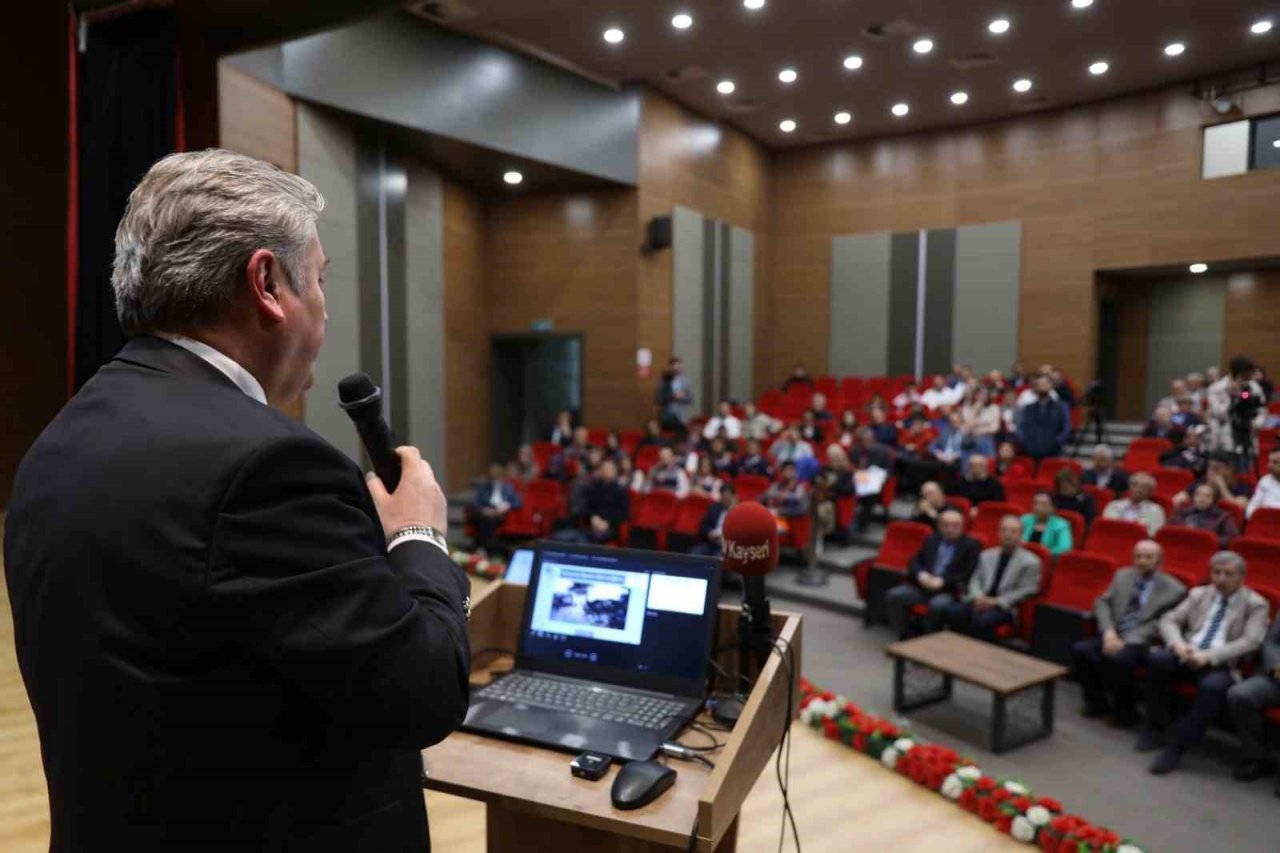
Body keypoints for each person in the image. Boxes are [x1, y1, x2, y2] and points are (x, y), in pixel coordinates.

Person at [3, 150, 471, 850]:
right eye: (317, 278)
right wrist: (417, 538)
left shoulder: (58, 443)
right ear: (267, 283)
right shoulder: (268, 466)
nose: (323, 306)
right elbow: (422, 691)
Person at [1140, 551, 1269, 775]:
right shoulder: (1199, 593)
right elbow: (1169, 619)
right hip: (1188, 651)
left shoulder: (1255, 604)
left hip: (1222, 663)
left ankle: (1177, 747)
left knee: (1212, 687)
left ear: (1241, 577)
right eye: (1216, 572)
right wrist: (1178, 645)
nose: (1220, 578)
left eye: (1228, 574)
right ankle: (1155, 726)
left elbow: (1251, 641)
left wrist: (1208, 656)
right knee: (1157, 660)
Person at [1071, 541, 1186, 726]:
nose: (1142, 561)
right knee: (1081, 650)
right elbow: (1102, 602)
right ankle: (1096, 704)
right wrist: (1108, 632)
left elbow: (1162, 623)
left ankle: (1125, 713)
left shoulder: (1174, 589)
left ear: (1159, 560)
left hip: (1144, 640)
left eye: (1148, 557)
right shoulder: (1122, 575)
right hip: (1114, 631)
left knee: (1121, 659)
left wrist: (1128, 641)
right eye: (1138, 556)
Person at [884, 509, 981, 639]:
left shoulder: (971, 545)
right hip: (923, 586)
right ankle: (904, 633)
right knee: (895, 595)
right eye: (946, 525)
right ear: (939, 526)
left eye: (955, 525)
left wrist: (943, 581)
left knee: (937, 605)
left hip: (948, 590)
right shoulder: (932, 539)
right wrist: (921, 574)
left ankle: (929, 639)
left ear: (962, 526)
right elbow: (914, 561)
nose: (950, 529)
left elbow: (967, 572)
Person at [944, 515, 1042, 641]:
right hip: (980, 600)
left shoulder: (1031, 562)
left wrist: (996, 601)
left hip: (1005, 606)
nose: (1008, 535)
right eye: (1004, 530)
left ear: (1021, 534)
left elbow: (1027, 590)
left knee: (981, 620)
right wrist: (978, 596)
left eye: (1013, 531)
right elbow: (976, 579)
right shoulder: (987, 555)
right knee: (953, 613)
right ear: (999, 532)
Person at [1225, 613, 1280, 781]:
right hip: (1276, 678)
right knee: (1240, 695)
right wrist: (1276, 666)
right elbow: (1271, 642)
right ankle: (1255, 756)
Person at [554, 459, 631, 545]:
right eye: (603, 469)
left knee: (583, 540)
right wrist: (593, 517)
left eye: (608, 469)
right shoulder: (596, 487)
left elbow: (623, 514)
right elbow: (588, 506)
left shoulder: (621, 491)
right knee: (560, 537)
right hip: (590, 525)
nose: (605, 471)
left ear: (614, 472)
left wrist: (608, 522)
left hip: (609, 528)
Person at [1207, 355, 1267, 455]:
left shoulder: (1254, 387)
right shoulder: (1216, 388)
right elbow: (1219, 413)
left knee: (1246, 469)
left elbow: (1261, 409)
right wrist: (1232, 396)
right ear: (1238, 372)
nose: (1251, 375)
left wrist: (1256, 423)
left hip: (1247, 436)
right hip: (1223, 439)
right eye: (1247, 372)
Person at [1171, 450, 1251, 511]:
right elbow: (1176, 500)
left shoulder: (1241, 487)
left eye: (1216, 468)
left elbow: (1237, 509)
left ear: (1229, 469)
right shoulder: (1201, 482)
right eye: (1209, 467)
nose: (1211, 472)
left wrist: (1222, 488)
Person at [1017, 373, 1072, 461]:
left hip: (1053, 451)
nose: (1042, 386)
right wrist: (1025, 443)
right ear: (1035, 387)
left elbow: (1066, 429)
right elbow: (1020, 428)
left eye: (1045, 383)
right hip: (1030, 450)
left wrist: (1056, 443)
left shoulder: (1061, 407)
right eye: (1039, 384)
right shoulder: (1027, 408)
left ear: (1051, 386)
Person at [1167, 483, 1240, 548]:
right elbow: (1169, 530)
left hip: (1206, 550)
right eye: (1198, 495)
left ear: (1213, 500)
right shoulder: (1182, 513)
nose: (1201, 499)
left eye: (1207, 496)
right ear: (1193, 497)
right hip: (1181, 547)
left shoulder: (1223, 517)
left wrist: (1205, 539)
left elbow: (1231, 538)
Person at [470, 463, 521, 552]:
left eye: (498, 476)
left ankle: (483, 548)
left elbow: (517, 502)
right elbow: (476, 503)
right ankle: (485, 548)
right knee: (482, 518)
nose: (496, 479)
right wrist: (484, 510)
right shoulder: (485, 487)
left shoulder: (508, 487)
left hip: (500, 513)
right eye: (493, 476)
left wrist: (507, 506)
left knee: (489, 521)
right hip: (486, 511)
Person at [1102, 472, 1166, 536]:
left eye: (1144, 487)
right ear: (1129, 487)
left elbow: (1153, 533)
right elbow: (1107, 528)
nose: (1138, 489)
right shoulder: (1114, 505)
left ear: (1151, 491)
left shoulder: (1156, 510)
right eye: (1135, 484)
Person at [814, 445, 856, 538]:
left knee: (823, 509)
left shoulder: (847, 471)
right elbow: (818, 480)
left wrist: (833, 489)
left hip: (839, 498)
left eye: (836, 457)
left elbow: (849, 489)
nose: (834, 460)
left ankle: (827, 532)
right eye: (832, 457)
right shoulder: (824, 468)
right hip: (824, 496)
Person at [1021, 491, 1073, 556]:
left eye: (1043, 504)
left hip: (1048, 561)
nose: (1038, 507)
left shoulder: (1061, 525)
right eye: (1035, 503)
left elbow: (1065, 549)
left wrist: (1044, 553)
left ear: (1053, 507)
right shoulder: (1024, 520)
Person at [691, 484, 737, 556]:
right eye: (723, 497)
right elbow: (703, 524)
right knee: (695, 553)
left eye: (727, 498)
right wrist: (709, 533)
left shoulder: (738, 511)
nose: (725, 500)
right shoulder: (715, 507)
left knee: (717, 557)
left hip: (726, 545)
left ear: (733, 497)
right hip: (712, 542)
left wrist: (724, 538)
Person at [656, 356, 694, 437]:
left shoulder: (685, 381)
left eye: (679, 367)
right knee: (666, 439)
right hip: (667, 417)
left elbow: (691, 399)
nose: (677, 370)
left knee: (681, 439)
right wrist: (671, 396)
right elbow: (658, 400)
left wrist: (683, 397)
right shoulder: (663, 380)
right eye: (675, 368)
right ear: (670, 368)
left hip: (681, 417)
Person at [1246, 449, 1280, 520]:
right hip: (1266, 524)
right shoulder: (1265, 481)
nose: (1269, 465)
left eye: (1275, 462)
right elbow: (1250, 510)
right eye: (1269, 461)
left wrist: (1267, 509)